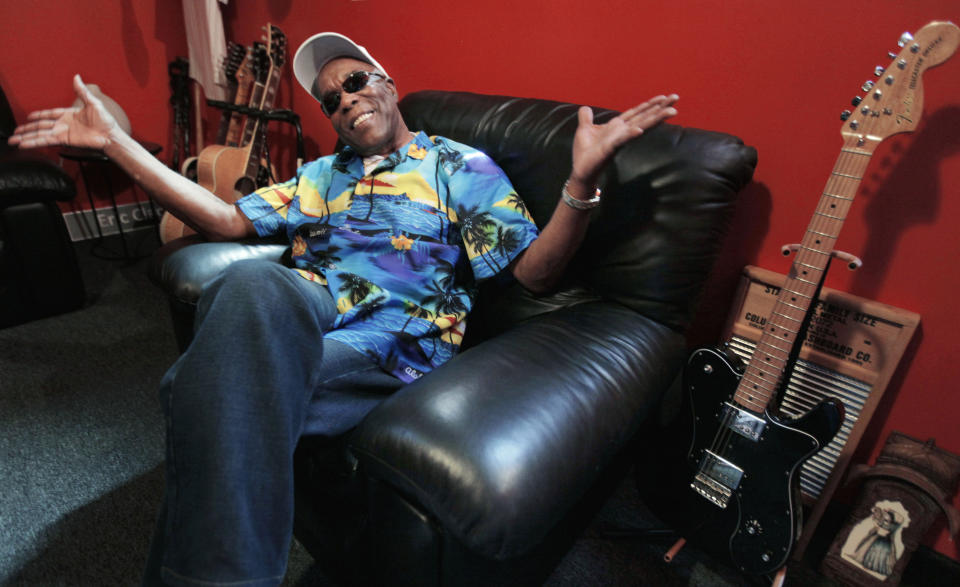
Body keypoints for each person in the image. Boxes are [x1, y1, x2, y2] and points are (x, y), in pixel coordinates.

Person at [9, 32, 678, 587]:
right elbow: (223, 218)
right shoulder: (320, 176)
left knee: (194, 387)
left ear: (386, 82)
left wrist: (580, 184)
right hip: (310, 304)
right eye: (331, 101)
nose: (347, 101)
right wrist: (118, 148)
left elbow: (536, 274)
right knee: (251, 287)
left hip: (391, 337)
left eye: (356, 82)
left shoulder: (456, 164)